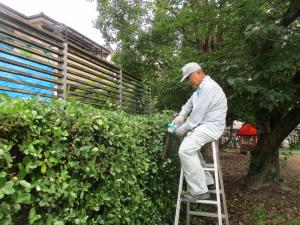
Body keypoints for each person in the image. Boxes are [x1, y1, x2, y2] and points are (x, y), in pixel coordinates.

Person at [171, 62, 227, 201]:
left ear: (199, 72)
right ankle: (209, 182)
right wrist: (181, 116)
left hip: (211, 126)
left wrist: (181, 129)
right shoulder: (200, 89)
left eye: (189, 78)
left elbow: (196, 116)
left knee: (184, 151)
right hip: (205, 125)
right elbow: (189, 104)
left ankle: (199, 191)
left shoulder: (208, 88)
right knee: (192, 149)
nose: (189, 82)